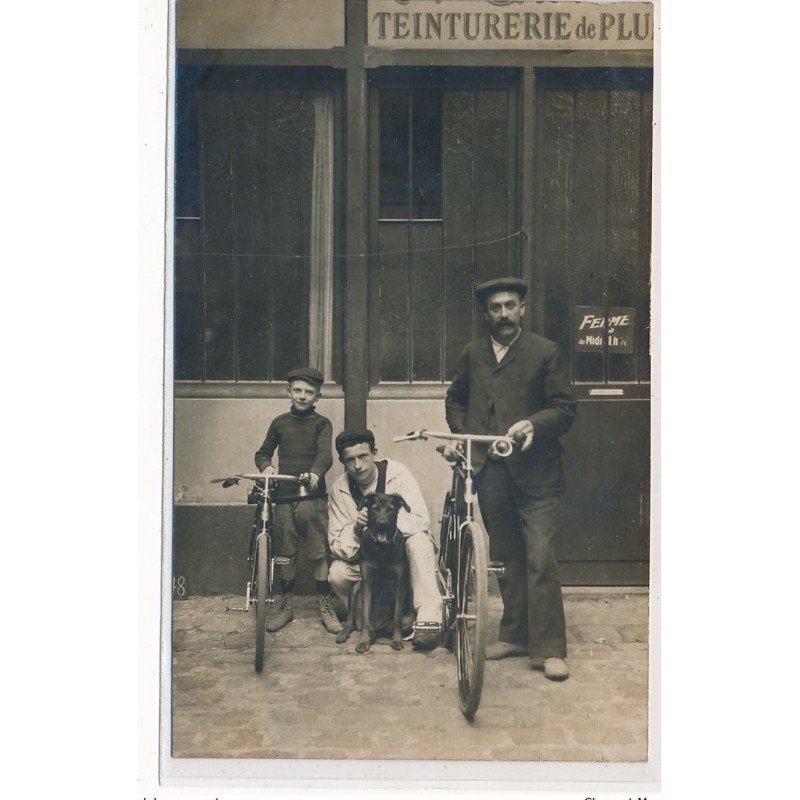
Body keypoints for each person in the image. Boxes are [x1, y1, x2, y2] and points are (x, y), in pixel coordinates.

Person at [445, 277, 577, 680]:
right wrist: (465, 437)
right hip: (490, 473)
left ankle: (549, 649)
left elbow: (564, 408)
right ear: (486, 314)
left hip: (537, 473)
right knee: (505, 557)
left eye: (510, 306)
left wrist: (533, 424)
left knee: (540, 556)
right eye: (495, 308)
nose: (503, 314)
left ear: (522, 310)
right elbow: (455, 399)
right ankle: (515, 635)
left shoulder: (545, 352)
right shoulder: (472, 353)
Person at [327, 429, 442, 650]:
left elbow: (420, 520)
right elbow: (337, 545)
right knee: (337, 574)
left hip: (398, 554)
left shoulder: (397, 473)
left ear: (374, 453)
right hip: (367, 556)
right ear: (342, 461)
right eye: (350, 460)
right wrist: (357, 529)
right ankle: (367, 620)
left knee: (419, 541)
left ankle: (428, 617)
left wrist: (383, 524)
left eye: (363, 456)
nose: (358, 465)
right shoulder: (339, 489)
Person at [254, 367, 341, 634]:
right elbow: (262, 453)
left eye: (309, 392)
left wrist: (315, 473)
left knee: (317, 552)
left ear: (317, 397)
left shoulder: (322, 424)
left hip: (311, 497)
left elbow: (325, 455)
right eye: (297, 390)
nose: (302, 396)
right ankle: (286, 605)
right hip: (283, 497)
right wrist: (267, 467)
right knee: (285, 553)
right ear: (288, 392)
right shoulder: (280, 423)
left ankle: (325, 605)